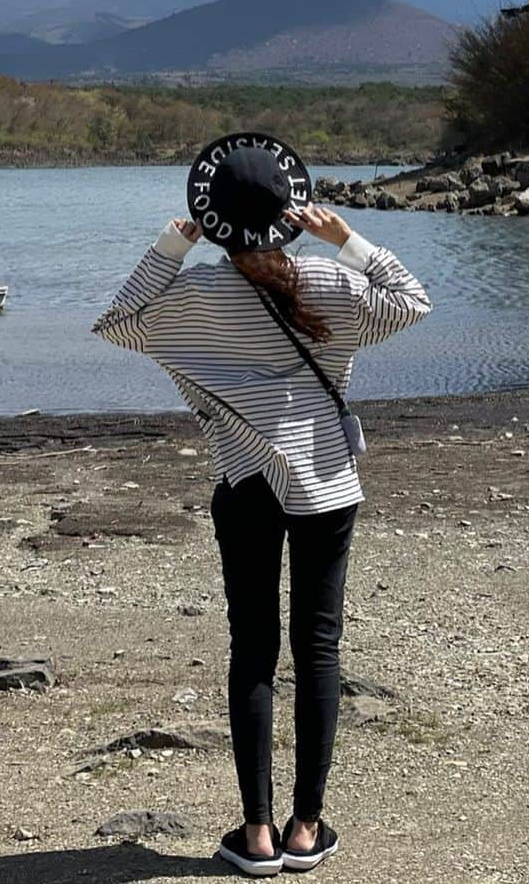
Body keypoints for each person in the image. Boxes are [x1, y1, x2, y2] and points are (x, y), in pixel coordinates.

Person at [92, 134, 430, 876]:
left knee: (253, 651)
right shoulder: (330, 286)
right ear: (289, 213)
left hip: (244, 481)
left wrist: (166, 250)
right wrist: (349, 241)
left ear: (211, 218)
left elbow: (117, 323)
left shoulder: (192, 297)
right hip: (327, 486)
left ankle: (257, 835)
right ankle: (307, 828)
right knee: (319, 648)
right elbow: (413, 300)